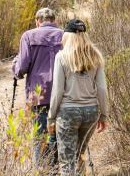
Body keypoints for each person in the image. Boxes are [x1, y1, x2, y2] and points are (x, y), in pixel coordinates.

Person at [47, 19, 109, 176]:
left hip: (68, 113)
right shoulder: (96, 56)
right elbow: (102, 89)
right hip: (91, 113)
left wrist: (51, 117)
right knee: (79, 155)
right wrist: (104, 115)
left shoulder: (61, 57)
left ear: (67, 36)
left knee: (67, 162)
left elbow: (57, 90)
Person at [12, 7, 63, 165]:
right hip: (62, 92)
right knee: (57, 133)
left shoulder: (28, 36)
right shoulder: (64, 35)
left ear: (37, 21)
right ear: (54, 21)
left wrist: (15, 67)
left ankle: (40, 169)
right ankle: (55, 168)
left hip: (38, 93)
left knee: (39, 135)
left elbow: (22, 67)